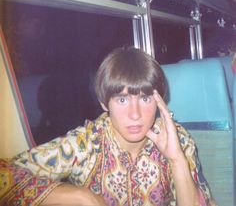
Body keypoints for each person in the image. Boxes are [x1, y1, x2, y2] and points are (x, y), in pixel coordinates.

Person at [0, 47, 216, 206]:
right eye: (122, 100)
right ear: (104, 103)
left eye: (145, 99)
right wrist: (82, 197)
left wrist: (176, 159)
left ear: (160, 101)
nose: (135, 114)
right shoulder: (85, 145)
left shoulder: (178, 139)